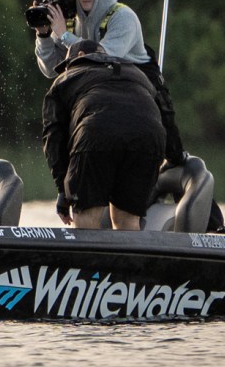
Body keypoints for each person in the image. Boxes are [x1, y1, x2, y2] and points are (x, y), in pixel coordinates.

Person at [33, 0, 185, 165]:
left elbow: (102, 57)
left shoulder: (123, 17)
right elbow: (50, 69)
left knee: (172, 147)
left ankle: (179, 161)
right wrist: (44, 36)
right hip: (100, 87)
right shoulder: (70, 22)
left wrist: (64, 36)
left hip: (138, 76)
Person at [42, 39, 165, 230]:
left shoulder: (66, 78)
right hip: (150, 137)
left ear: (80, 56)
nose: (66, 69)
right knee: (127, 220)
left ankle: (86, 249)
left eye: (66, 64)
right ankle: (129, 250)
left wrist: (63, 191)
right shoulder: (138, 74)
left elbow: (53, 139)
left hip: (96, 133)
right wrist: (175, 155)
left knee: (86, 216)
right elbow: (164, 112)